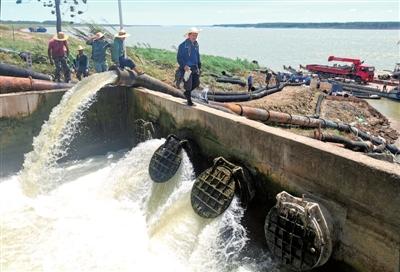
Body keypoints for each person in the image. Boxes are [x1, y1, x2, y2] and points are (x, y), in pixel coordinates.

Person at [177, 27, 202, 106]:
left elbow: (197, 55)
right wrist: (184, 65)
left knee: (196, 83)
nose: (195, 37)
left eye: (196, 35)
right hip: (187, 68)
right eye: (194, 35)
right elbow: (179, 57)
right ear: (189, 35)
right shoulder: (183, 45)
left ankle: (186, 93)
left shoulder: (196, 44)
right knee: (188, 84)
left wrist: (199, 65)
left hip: (195, 67)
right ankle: (189, 100)